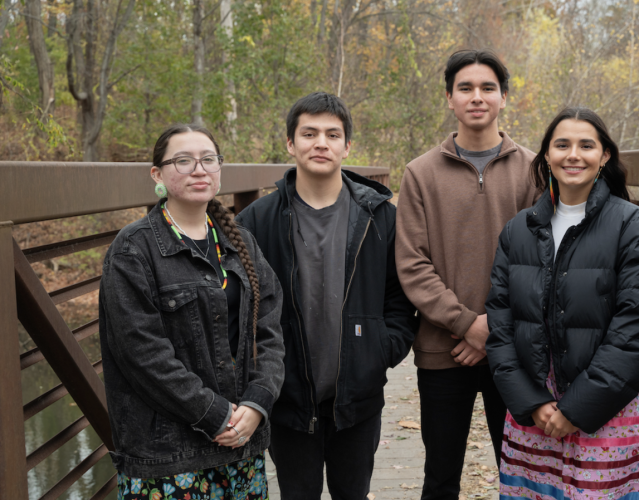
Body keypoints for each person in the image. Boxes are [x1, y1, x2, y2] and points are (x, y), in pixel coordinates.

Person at [485, 107, 639, 499]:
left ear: (605, 156)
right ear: (547, 155)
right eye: (562, 145)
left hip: (609, 410)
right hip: (536, 413)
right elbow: (501, 326)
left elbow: (638, 333)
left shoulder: (635, 227)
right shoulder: (518, 231)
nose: (573, 155)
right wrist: (531, 401)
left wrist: (577, 410)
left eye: (586, 145)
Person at [236, 92, 418, 500]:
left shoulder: (380, 217)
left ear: (347, 146)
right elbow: (241, 309)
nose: (321, 143)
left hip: (358, 398)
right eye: (309, 133)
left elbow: (399, 298)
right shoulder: (256, 221)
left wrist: (379, 351)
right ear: (290, 143)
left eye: (332, 135)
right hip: (287, 398)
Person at [99, 124, 285, 499]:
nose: (199, 169)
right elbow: (141, 353)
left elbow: (268, 328)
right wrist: (214, 414)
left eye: (208, 159)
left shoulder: (240, 241)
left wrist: (258, 401)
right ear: (158, 175)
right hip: (169, 457)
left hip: (241, 444)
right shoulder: (133, 249)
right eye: (183, 161)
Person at [395, 49, 541, 500]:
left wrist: (493, 329)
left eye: (487, 88)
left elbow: (542, 261)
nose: (477, 97)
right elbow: (412, 263)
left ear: (503, 97)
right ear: (449, 98)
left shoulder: (533, 170)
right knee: (440, 478)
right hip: (444, 350)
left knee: (521, 476)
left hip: (515, 350)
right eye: (465, 88)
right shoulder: (420, 173)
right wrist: (466, 324)